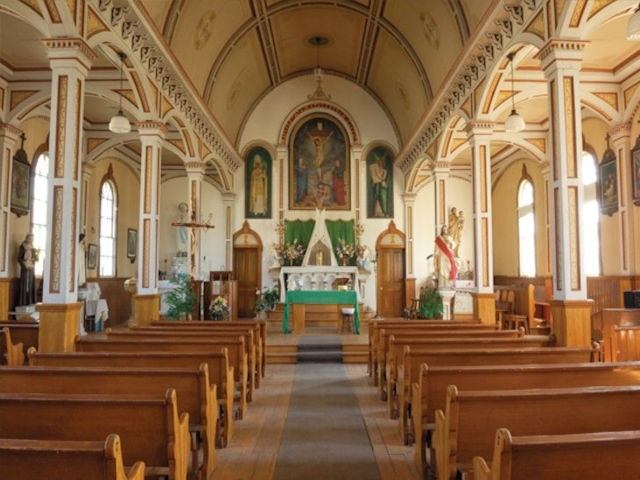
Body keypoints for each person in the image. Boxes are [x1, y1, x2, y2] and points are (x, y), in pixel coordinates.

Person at [434, 225, 458, 289]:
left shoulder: (450, 237)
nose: (445, 231)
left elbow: (453, 245)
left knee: (450, 268)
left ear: (447, 230)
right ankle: (443, 285)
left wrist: (449, 242)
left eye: (446, 229)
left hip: (449, 256)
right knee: (442, 270)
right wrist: (436, 254)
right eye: (443, 229)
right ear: (442, 230)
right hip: (442, 257)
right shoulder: (439, 238)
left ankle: (449, 285)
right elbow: (436, 248)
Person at [17, 233, 38, 306]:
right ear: (26, 238)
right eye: (30, 238)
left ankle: (30, 301)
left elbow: (35, 258)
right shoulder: (22, 247)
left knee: (31, 284)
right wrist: (24, 265)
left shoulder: (32, 248)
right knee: (25, 285)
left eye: (32, 239)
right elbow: (19, 258)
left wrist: (33, 260)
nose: (31, 240)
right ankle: (23, 302)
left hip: (31, 269)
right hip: (25, 269)